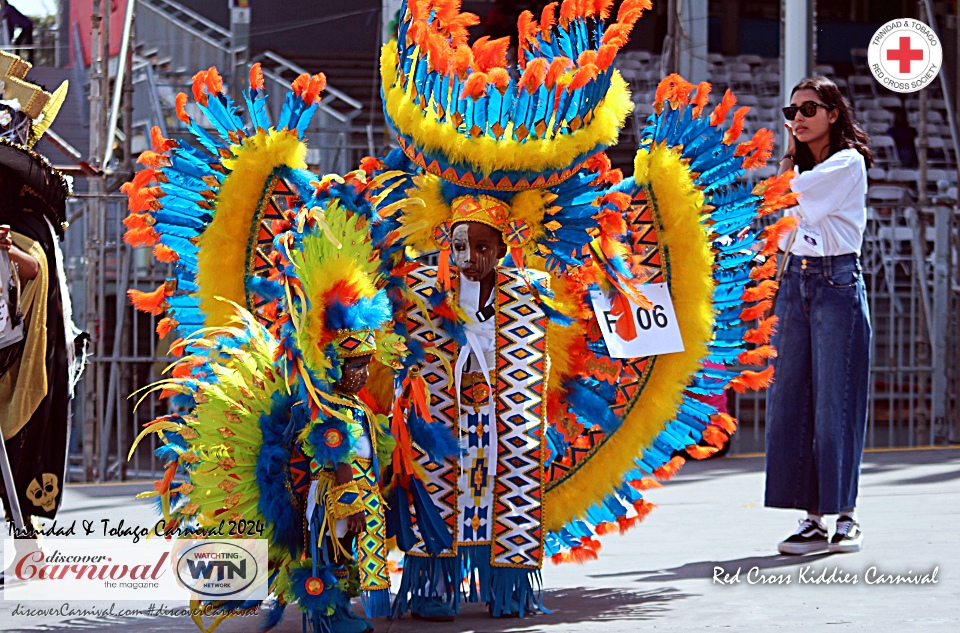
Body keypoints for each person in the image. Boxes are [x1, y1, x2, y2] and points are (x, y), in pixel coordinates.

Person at [765, 76, 873, 555]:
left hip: (836, 283)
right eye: (792, 112)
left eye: (809, 108)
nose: (799, 119)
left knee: (836, 402)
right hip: (797, 282)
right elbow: (781, 207)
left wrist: (787, 164)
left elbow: (793, 201)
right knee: (793, 400)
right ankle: (811, 519)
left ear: (833, 112)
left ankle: (846, 514)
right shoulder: (803, 171)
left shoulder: (848, 163)